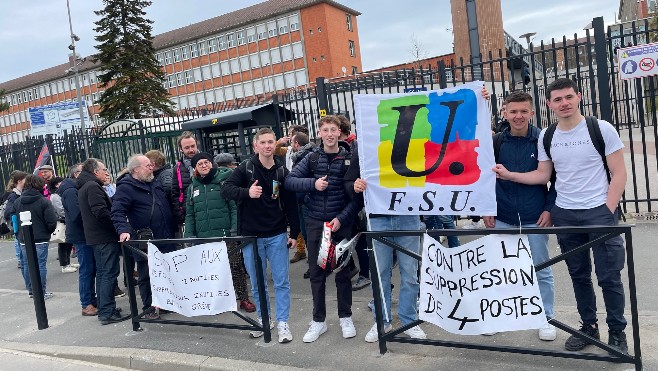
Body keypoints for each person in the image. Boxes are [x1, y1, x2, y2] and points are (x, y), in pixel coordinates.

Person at [493, 78, 628, 354]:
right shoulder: (548, 136)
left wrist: (607, 209)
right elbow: (543, 175)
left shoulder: (600, 128)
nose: (564, 103)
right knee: (579, 275)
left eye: (568, 97)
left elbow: (620, 173)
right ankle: (589, 327)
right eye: (557, 99)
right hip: (566, 214)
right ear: (549, 104)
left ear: (578, 97)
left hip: (598, 213)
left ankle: (617, 332)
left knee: (609, 276)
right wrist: (509, 175)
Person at [482, 91, 556, 341]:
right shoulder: (495, 142)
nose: (518, 116)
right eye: (513, 111)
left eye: (523, 111)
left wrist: (549, 208)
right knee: (499, 271)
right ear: (504, 112)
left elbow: (556, 180)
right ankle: (499, 316)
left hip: (535, 215)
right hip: (502, 215)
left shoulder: (543, 140)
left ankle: (546, 317)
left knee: (541, 269)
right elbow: (483, 178)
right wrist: (486, 208)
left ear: (532, 113)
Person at [222, 127, 301, 344]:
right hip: (251, 238)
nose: (267, 146)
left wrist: (294, 232)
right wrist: (246, 193)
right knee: (257, 283)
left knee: (282, 281)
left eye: (270, 142)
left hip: (276, 234)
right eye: (263, 142)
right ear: (255, 145)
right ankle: (264, 320)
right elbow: (226, 190)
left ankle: (283, 322)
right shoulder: (245, 168)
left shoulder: (281, 171)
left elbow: (291, 204)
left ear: (275, 144)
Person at [286, 115, 360, 343]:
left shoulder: (349, 157)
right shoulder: (311, 158)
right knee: (317, 274)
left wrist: (341, 218)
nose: (329, 134)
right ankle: (318, 321)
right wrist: (313, 184)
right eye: (325, 130)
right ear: (319, 133)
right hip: (316, 223)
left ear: (340, 132)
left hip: (341, 223)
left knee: (343, 273)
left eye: (333, 130)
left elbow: (357, 197)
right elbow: (290, 182)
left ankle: (345, 316)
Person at [344, 144, 427, 342]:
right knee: (380, 273)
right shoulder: (365, 145)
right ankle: (382, 320)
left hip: (408, 215)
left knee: (410, 273)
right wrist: (354, 186)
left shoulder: (411, 141)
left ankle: (409, 321)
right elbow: (348, 180)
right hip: (378, 217)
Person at [185, 152, 256, 313]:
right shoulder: (192, 187)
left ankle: (243, 298)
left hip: (226, 234)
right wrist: (189, 235)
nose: (204, 165)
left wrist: (233, 229)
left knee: (235, 266)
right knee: (212, 271)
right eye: (200, 164)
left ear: (212, 163)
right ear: (195, 168)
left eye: (206, 162)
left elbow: (233, 207)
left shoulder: (224, 181)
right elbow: (190, 214)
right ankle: (219, 300)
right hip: (204, 237)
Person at [111, 154, 178, 320]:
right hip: (145, 239)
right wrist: (123, 230)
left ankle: (164, 303)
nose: (152, 167)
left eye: (152, 164)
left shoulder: (154, 183)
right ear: (136, 170)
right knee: (146, 274)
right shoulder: (126, 187)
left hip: (164, 235)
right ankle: (149, 308)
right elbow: (117, 211)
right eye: (148, 165)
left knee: (165, 271)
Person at [77, 158, 128, 325]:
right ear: (95, 172)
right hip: (103, 237)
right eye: (104, 169)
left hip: (97, 237)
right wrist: (116, 226)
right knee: (108, 273)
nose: (107, 172)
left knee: (103, 273)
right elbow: (101, 212)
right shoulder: (92, 186)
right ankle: (107, 311)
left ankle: (106, 307)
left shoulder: (87, 186)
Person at [59, 163, 98, 316]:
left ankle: (91, 300)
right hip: (81, 235)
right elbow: (77, 215)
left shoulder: (73, 189)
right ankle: (86, 303)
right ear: (76, 174)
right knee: (87, 269)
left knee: (90, 268)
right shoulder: (70, 191)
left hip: (83, 234)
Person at [13, 175, 57, 299]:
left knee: (27, 264)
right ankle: (41, 292)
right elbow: (51, 221)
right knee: (40, 265)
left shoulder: (18, 201)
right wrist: (47, 232)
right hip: (40, 238)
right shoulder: (43, 201)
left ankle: (31, 290)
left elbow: (14, 218)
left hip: (24, 238)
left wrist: (19, 233)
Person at [275, 125, 309, 265]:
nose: (288, 136)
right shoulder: (288, 149)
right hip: (290, 184)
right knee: (297, 219)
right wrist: (278, 142)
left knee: (304, 222)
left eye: (290, 134)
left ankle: (309, 251)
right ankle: (300, 250)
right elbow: (276, 151)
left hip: (298, 186)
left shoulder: (304, 153)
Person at [49, 177, 79, 274]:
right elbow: (60, 210)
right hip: (63, 221)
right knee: (63, 244)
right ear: (56, 184)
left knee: (68, 242)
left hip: (66, 220)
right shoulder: (55, 196)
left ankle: (68, 262)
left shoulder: (60, 194)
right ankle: (64, 265)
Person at [171, 131, 199, 225]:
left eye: (193, 146)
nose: (191, 150)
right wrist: (181, 215)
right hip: (188, 215)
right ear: (181, 149)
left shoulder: (208, 163)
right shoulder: (177, 168)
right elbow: (175, 193)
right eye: (187, 148)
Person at [4, 171, 28, 271]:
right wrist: (18, 216)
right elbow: (8, 212)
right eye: (25, 179)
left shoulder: (22, 193)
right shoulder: (13, 195)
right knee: (20, 246)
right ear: (19, 181)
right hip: (19, 225)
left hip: (23, 225)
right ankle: (21, 261)